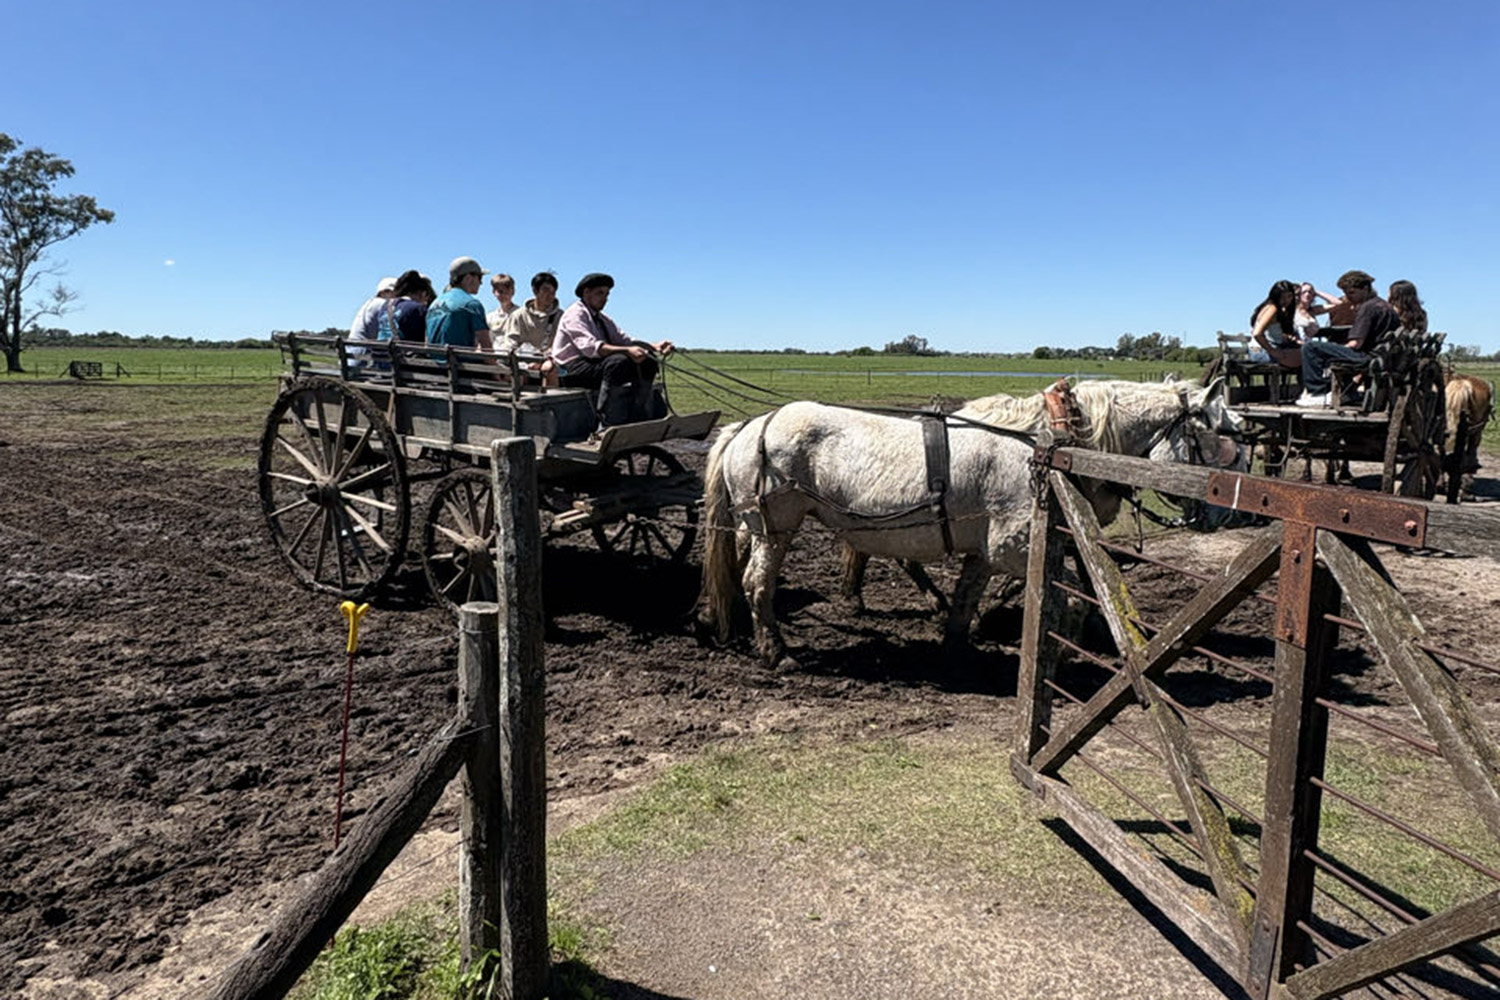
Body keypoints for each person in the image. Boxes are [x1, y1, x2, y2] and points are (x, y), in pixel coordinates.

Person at [551, 272, 674, 427]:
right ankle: (607, 420)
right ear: (586, 292)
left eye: (607, 294)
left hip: (593, 364)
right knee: (618, 362)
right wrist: (627, 351)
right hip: (570, 369)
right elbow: (591, 348)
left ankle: (639, 415)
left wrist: (654, 347)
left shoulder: (602, 319)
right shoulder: (575, 314)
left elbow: (625, 340)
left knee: (648, 360)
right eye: (600, 293)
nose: (605, 298)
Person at [1295, 270, 1401, 407]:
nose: (1348, 297)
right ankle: (1348, 391)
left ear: (1366, 289)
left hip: (1369, 357)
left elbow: (1356, 343)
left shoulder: (1367, 308)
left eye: (1352, 293)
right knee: (1330, 350)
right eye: (1346, 293)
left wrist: (1336, 349)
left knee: (1311, 347)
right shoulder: (1384, 305)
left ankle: (1317, 392)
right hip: (1382, 355)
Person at [499, 271, 564, 386]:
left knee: (549, 368)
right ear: (535, 290)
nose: (550, 295)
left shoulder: (560, 317)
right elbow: (510, 343)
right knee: (512, 370)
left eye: (553, 292)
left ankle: (550, 401)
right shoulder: (518, 315)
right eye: (546, 290)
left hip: (548, 360)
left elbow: (560, 346)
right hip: (522, 359)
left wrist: (542, 359)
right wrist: (523, 362)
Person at [426, 257, 495, 349]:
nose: (481, 283)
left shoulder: (434, 304)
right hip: (461, 362)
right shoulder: (472, 304)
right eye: (480, 277)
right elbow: (486, 348)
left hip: (433, 362)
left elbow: (427, 342)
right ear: (468, 278)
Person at [1248, 280, 1302, 368]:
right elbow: (1257, 333)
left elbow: (1272, 333)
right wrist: (1271, 350)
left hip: (1272, 348)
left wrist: (1288, 338)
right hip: (1260, 351)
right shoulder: (1272, 308)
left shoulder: (1282, 310)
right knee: (1306, 356)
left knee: (1307, 352)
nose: (1286, 300)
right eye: (1282, 297)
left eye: (1289, 296)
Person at [374, 270, 436, 343]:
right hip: (402, 353)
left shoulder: (385, 306)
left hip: (379, 352)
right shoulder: (418, 309)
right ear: (423, 293)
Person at [349, 276, 397, 341]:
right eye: (394, 292)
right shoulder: (382, 304)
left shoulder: (371, 303)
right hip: (366, 348)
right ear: (383, 292)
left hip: (355, 347)